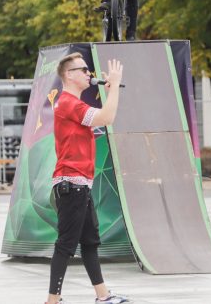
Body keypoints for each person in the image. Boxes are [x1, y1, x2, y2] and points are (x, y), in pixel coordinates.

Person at [46, 53, 129, 304]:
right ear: (69, 75)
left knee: (90, 242)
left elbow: (102, 116)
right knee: (66, 245)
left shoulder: (73, 104)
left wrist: (112, 89)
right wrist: (113, 87)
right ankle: (52, 301)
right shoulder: (67, 103)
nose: (89, 74)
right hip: (72, 184)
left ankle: (102, 296)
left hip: (80, 184)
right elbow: (107, 118)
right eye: (84, 70)